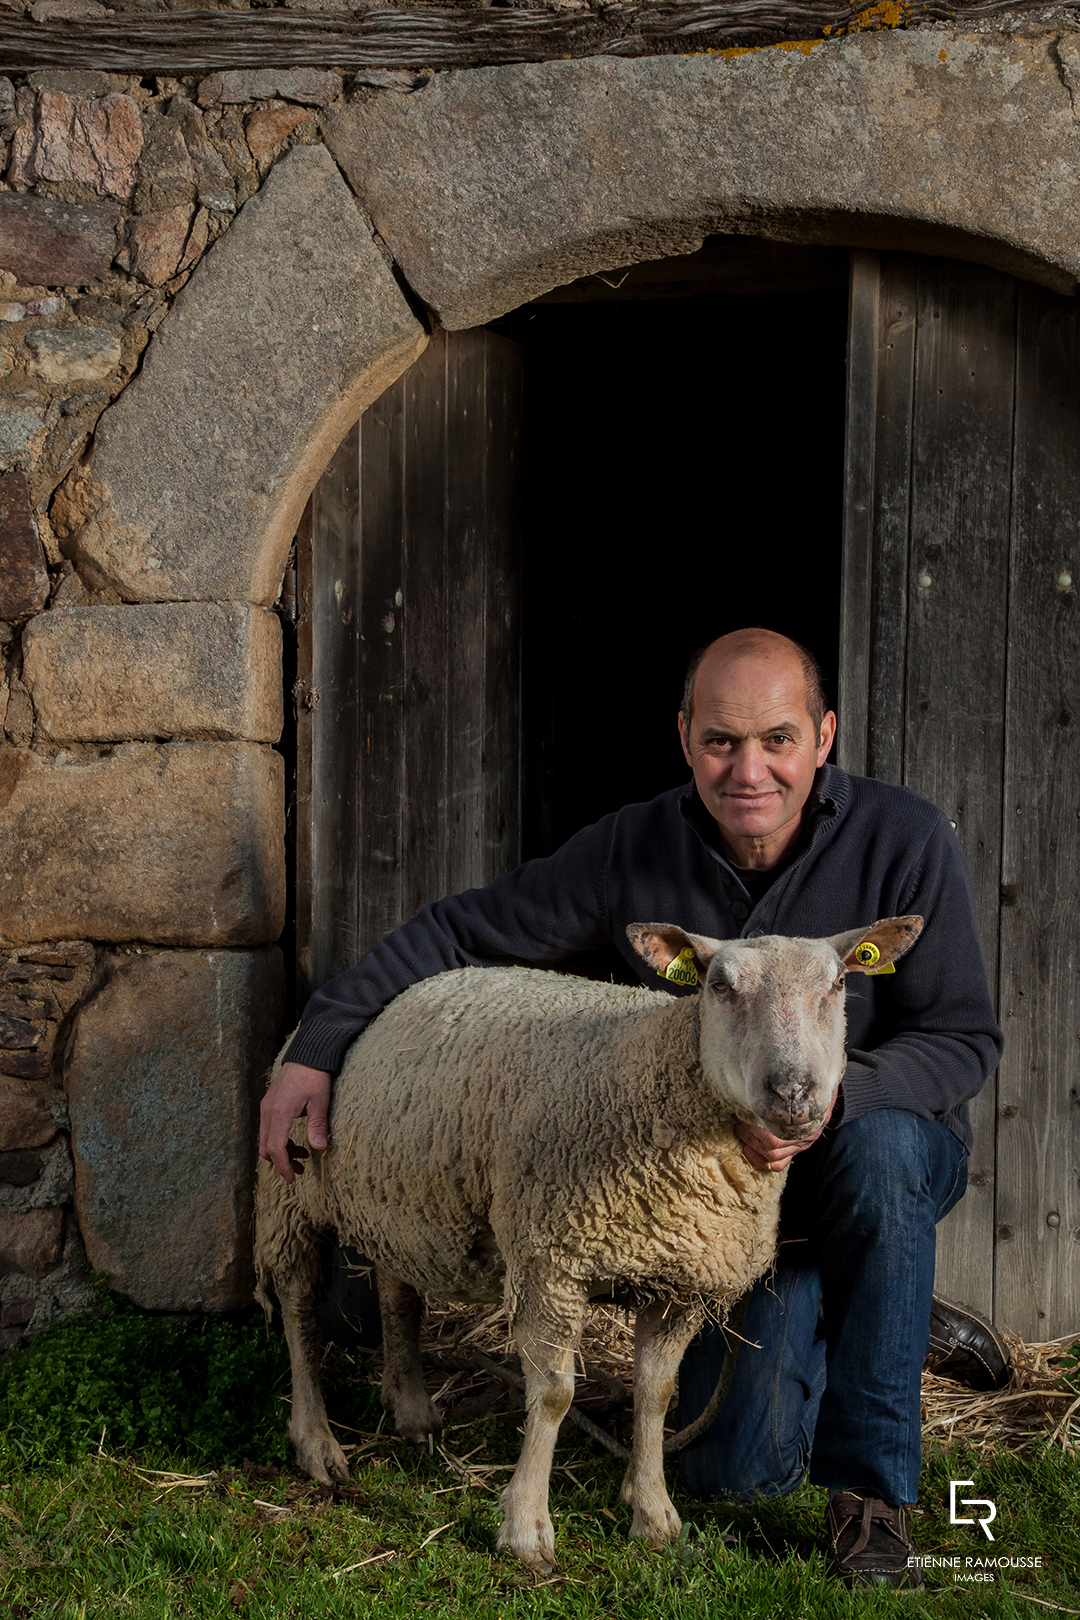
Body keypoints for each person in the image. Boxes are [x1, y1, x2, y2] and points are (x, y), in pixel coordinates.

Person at [260, 627, 1006, 1587]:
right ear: (685, 736)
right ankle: (880, 1308)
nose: (750, 769)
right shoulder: (635, 849)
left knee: (881, 1164)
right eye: (721, 741)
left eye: (778, 739)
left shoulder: (905, 841)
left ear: (824, 737)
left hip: (863, 1147)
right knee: (735, 1475)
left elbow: (961, 1040)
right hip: (720, 1200)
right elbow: (457, 932)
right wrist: (317, 1049)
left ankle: (873, 1499)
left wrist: (842, 1097)